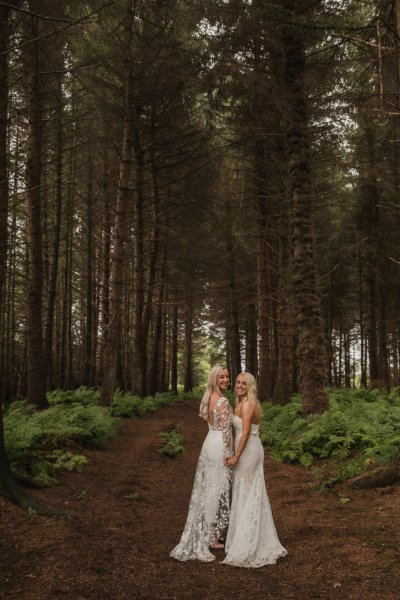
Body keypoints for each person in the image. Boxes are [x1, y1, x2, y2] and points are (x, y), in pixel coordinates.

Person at [222, 372, 287, 568]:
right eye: (238, 382)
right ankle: (245, 534)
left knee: (248, 491)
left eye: (244, 383)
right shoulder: (241, 403)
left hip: (248, 450)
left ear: (250, 386)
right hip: (250, 448)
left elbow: (247, 432)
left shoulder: (249, 404)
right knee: (245, 491)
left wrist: (235, 456)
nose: (240, 385)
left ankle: (248, 540)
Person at [170, 365, 233, 562]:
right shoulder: (222, 400)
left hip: (209, 441)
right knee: (216, 488)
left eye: (227, 376)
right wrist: (230, 452)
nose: (225, 380)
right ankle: (211, 536)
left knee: (211, 488)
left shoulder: (208, 397)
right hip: (219, 445)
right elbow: (225, 430)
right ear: (214, 379)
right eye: (221, 377)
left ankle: (209, 531)